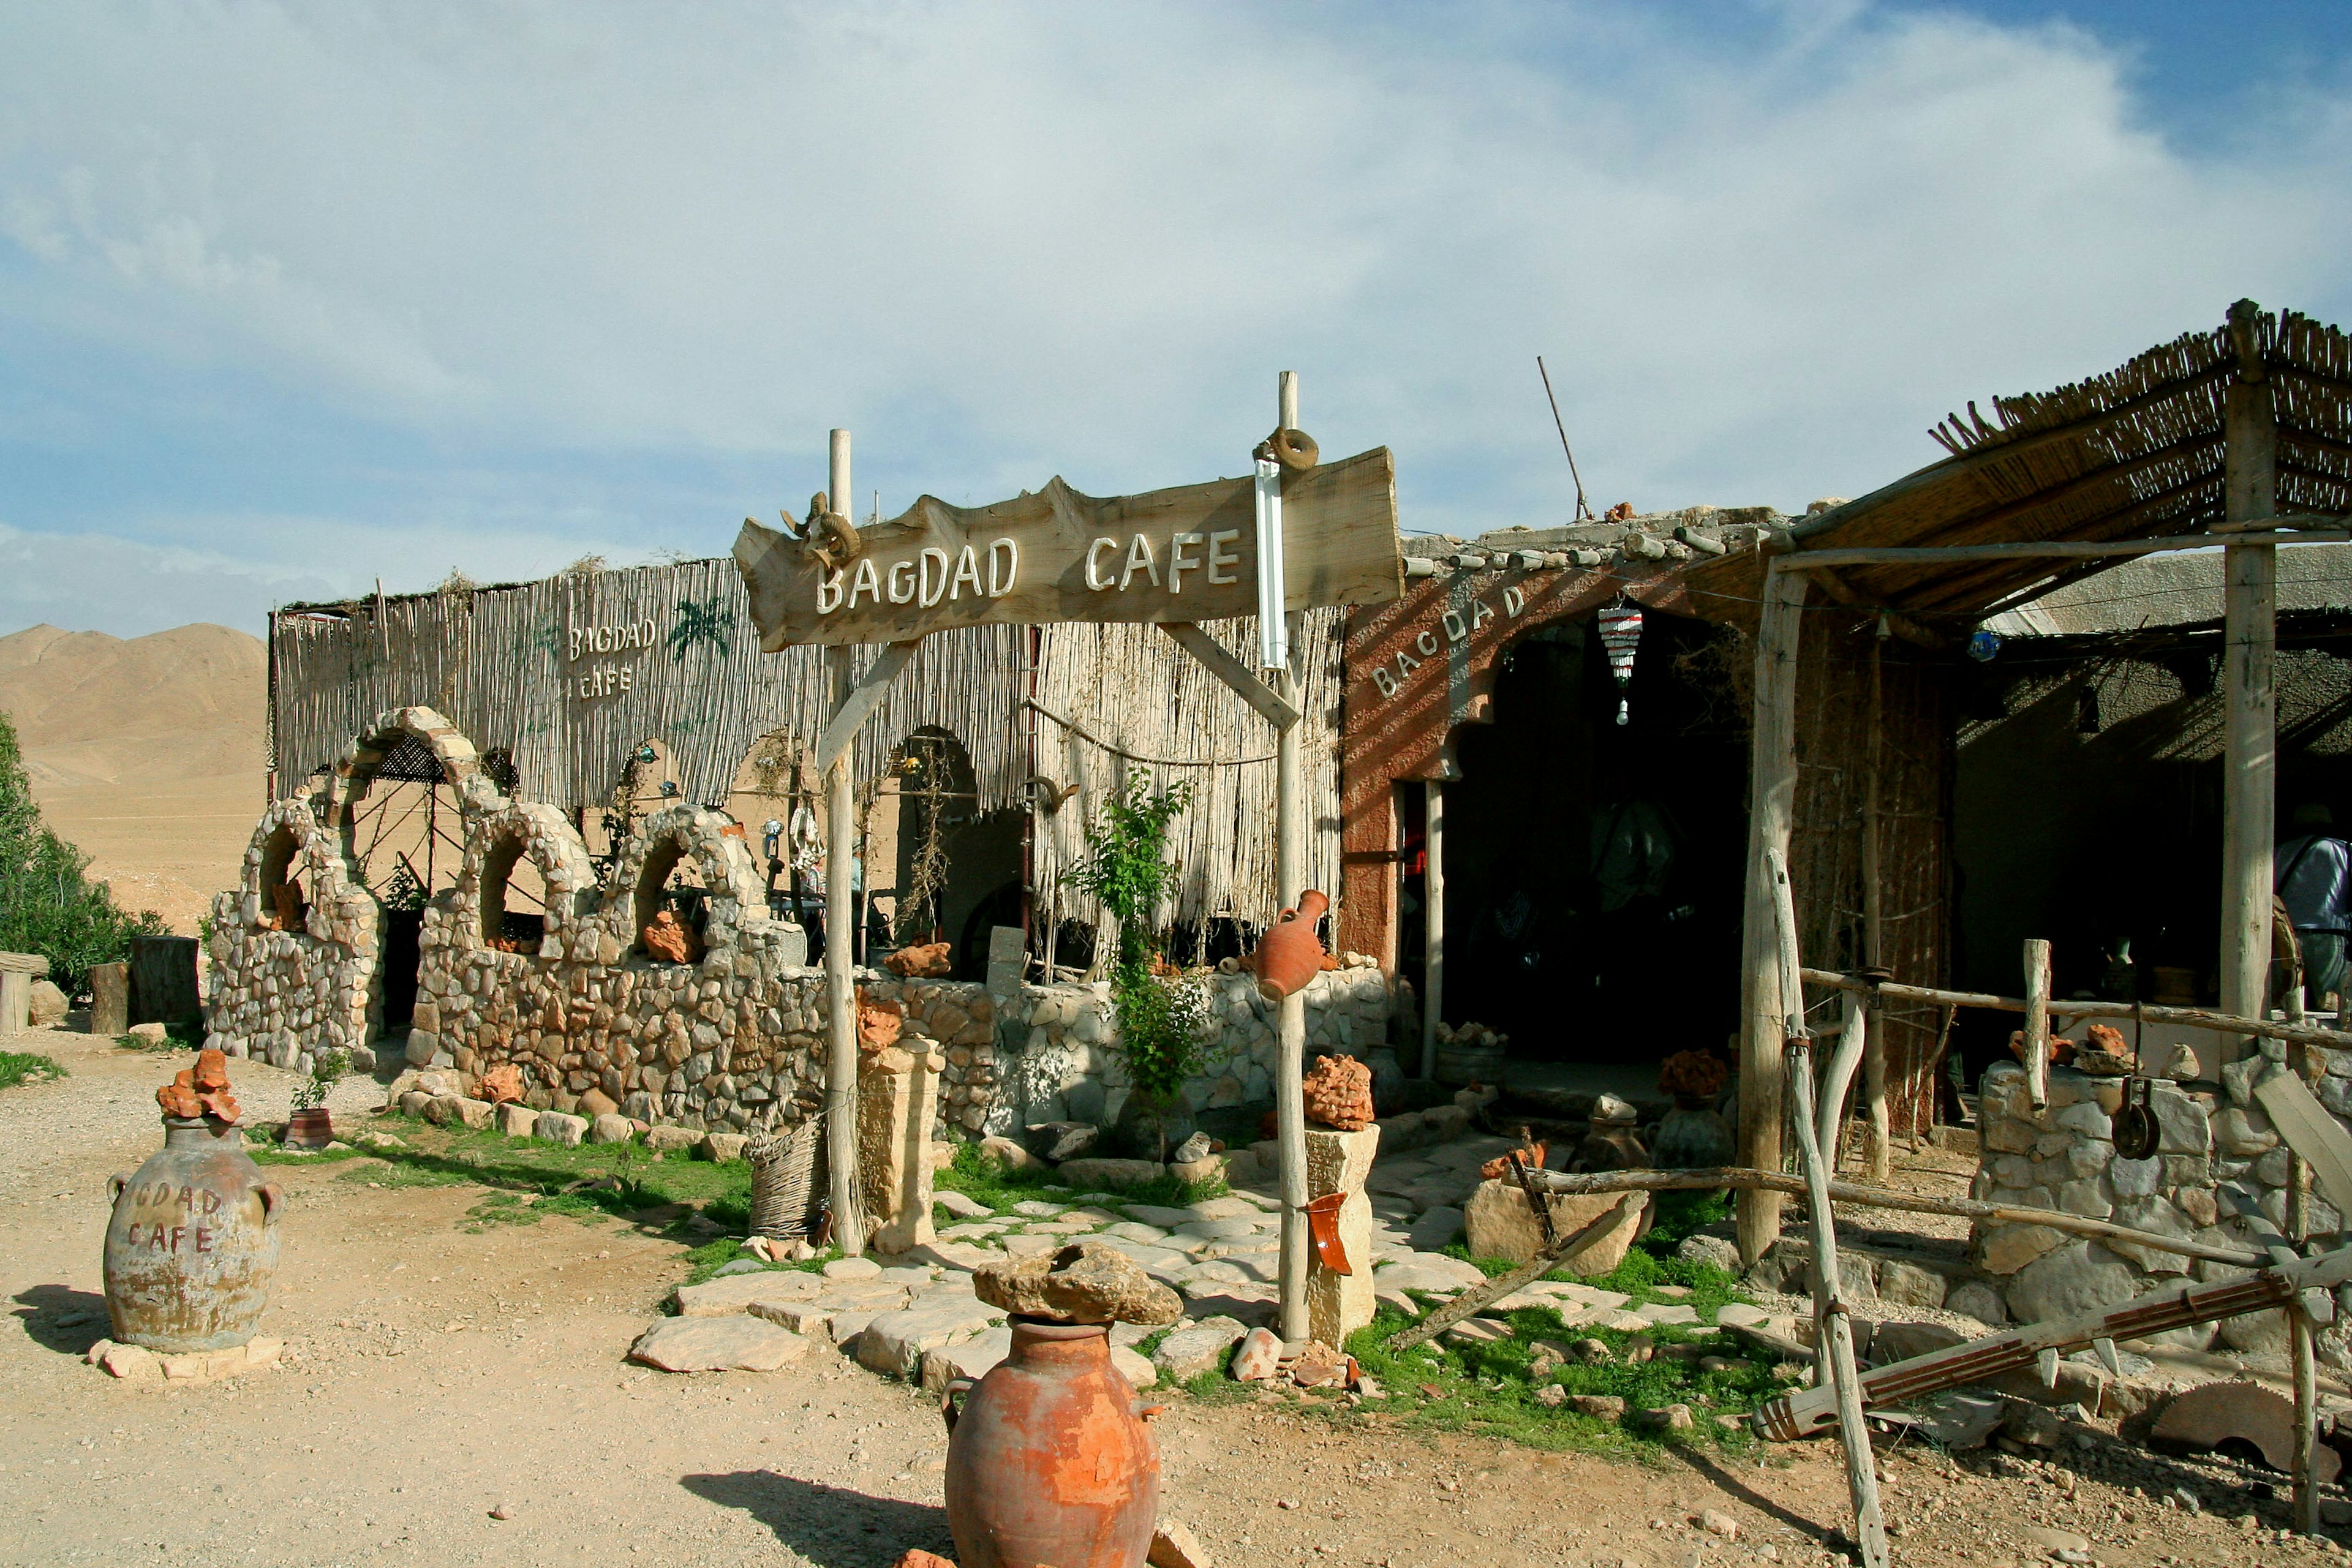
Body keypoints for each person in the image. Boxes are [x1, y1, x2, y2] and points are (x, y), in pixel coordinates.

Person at [2276, 803, 2352, 1011]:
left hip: (2285, 936)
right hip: (2329, 937)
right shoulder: (2344, 850)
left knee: (2281, 1004)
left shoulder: (2279, 852)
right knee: (2333, 1005)